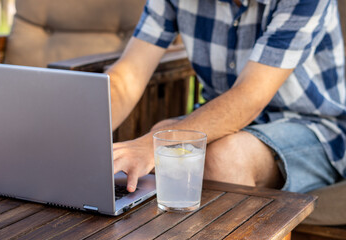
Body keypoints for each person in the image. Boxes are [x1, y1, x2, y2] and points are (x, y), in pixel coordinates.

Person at [108, 0, 346, 194]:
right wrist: (84, 139)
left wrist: (150, 145)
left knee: (224, 158)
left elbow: (249, 98)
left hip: (316, 130)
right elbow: (127, 77)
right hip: (230, 122)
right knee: (164, 136)